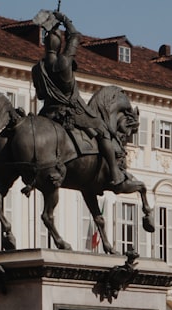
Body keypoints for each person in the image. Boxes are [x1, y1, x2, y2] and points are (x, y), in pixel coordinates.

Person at [31, 11, 125, 190]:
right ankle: (114, 172)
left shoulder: (37, 68)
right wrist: (64, 20)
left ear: (45, 45)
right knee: (103, 131)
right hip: (71, 111)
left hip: (47, 113)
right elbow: (75, 36)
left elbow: (41, 95)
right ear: (59, 45)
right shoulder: (64, 62)